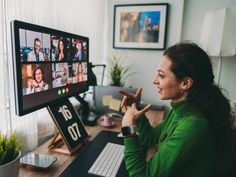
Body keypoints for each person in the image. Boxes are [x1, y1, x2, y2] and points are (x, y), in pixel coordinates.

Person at [119, 43, 236, 177]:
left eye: (161, 76)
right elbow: (151, 138)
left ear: (185, 83)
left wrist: (128, 130)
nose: (154, 81)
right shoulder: (181, 110)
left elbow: (142, 175)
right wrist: (136, 109)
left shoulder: (192, 126)